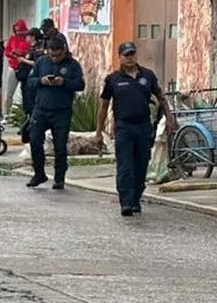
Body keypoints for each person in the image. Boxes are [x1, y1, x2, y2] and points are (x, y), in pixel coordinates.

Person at [96, 41, 176, 216]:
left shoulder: (147, 75)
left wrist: (169, 119)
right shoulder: (113, 79)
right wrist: (98, 132)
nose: (130, 57)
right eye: (126, 55)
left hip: (143, 126)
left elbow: (161, 98)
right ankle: (126, 201)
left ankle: (135, 198)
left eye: (132, 54)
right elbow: (103, 106)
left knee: (141, 165)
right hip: (124, 126)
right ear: (120, 57)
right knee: (125, 166)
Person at [25, 33, 84, 190]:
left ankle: (59, 178)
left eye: (58, 55)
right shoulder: (41, 62)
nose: (55, 58)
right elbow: (30, 82)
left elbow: (80, 84)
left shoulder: (72, 65)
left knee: (60, 146)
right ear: (48, 52)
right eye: (52, 55)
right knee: (35, 140)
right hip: (41, 109)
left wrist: (64, 82)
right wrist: (41, 81)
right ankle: (39, 173)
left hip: (61, 111)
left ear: (63, 51)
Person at [2, 19, 30, 112]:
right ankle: (6, 114)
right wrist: (13, 53)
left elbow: (31, 51)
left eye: (19, 30)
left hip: (25, 68)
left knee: (26, 94)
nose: (18, 32)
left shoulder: (28, 38)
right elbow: (6, 51)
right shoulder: (13, 38)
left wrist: (22, 53)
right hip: (13, 68)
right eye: (16, 30)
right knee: (9, 94)